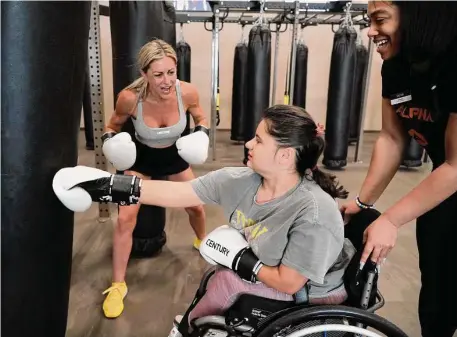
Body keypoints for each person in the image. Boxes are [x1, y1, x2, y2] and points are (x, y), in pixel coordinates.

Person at [53, 105, 355, 332]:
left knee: (226, 282)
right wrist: (105, 186)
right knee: (216, 277)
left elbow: (288, 282)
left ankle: (188, 330)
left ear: (285, 156)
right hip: (276, 279)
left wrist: (242, 261)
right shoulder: (239, 181)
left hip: (313, 296)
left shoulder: (313, 212)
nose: (248, 144)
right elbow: (178, 194)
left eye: (259, 140)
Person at [340, 2, 457, 336]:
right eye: (369, 21)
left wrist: (390, 219)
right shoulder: (395, 66)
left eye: (380, 20)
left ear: (418, 18)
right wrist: (362, 203)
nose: (370, 31)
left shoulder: (452, 62)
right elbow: (392, 138)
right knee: (436, 285)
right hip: (444, 180)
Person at [99, 38, 209, 318]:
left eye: (171, 72)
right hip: (139, 161)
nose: (167, 80)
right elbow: (111, 125)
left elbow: (201, 118)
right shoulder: (129, 97)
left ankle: (202, 241)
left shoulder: (188, 93)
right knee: (126, 219)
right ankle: (117, 285)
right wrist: (110, 141)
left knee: (196, 206)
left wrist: (202, 134)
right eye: (158, 74)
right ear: (144, 73)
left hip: (174, 157)